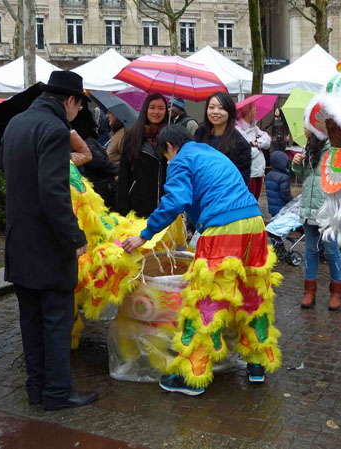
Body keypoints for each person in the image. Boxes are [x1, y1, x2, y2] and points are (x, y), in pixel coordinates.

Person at [122, 125, 281, 396]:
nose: (168, 161)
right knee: (251, 293)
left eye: (166, 155)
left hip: (223, 228)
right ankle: (257, 364)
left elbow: (175, 200)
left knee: (205, 299)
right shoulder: (210, 153)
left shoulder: (181, 159)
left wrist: (144, 235)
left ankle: (192, 375)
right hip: (254, 224)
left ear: (169, 147)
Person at [0, 71, 98, 411]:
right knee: (57, 319)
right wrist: (74, 235)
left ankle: (37, 388)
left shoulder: (16, 124)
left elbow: (3, 164)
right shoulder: (54, 129)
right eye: (78, 106)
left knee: (31, 319)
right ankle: (57, 392)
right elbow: (53, 191)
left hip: (19, 241)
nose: (76, 113)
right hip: (47, 245)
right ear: (69, 101)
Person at [292, 130, 341, 311]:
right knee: (310, 250)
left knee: (331, 249)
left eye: (308, 124)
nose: (304, 129)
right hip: (308, 206)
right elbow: (305, 176)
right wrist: (297, 164)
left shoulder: (335, 147)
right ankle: (309, 291)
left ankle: (336, 291)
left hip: (327, 209)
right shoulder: (309, 147)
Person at [117, 93, 168, 218]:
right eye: (152, 107)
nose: (156, 112)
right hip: (137, 200)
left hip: (164, 201)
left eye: (161, 108)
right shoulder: (133, 136)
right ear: (146, 109)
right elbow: (124, 172)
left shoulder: (171, 137)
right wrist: (123, 205)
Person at [194, 92, 251, 185]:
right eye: (211, 107)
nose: (215, 112)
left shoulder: (240, 144)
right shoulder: (200, 134)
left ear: (230, 112)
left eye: (221, 108)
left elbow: (241, 181)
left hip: (224, 195)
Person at [71, 106, 118, 209]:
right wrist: (121, 169)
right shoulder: (84, 139)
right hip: (100, 188)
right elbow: (98, 162)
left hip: (100, 186)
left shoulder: (87, 139)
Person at [236, 103, 271, 199]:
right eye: (255, 109)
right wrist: (259, 148)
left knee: (255, 201)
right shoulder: (238, 130)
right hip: (249, 173)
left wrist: (256, 144)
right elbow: (245, 152)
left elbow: (267, 141)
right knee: (249, 202)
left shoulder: (254, 127)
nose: (256, 112)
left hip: (259, 171)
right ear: (248, 112)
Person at [265, 150, 293, 217]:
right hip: (282, 208)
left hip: (272, 208)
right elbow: (285, 195)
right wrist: (292, 201)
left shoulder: (268, 175)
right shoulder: (283, 177)